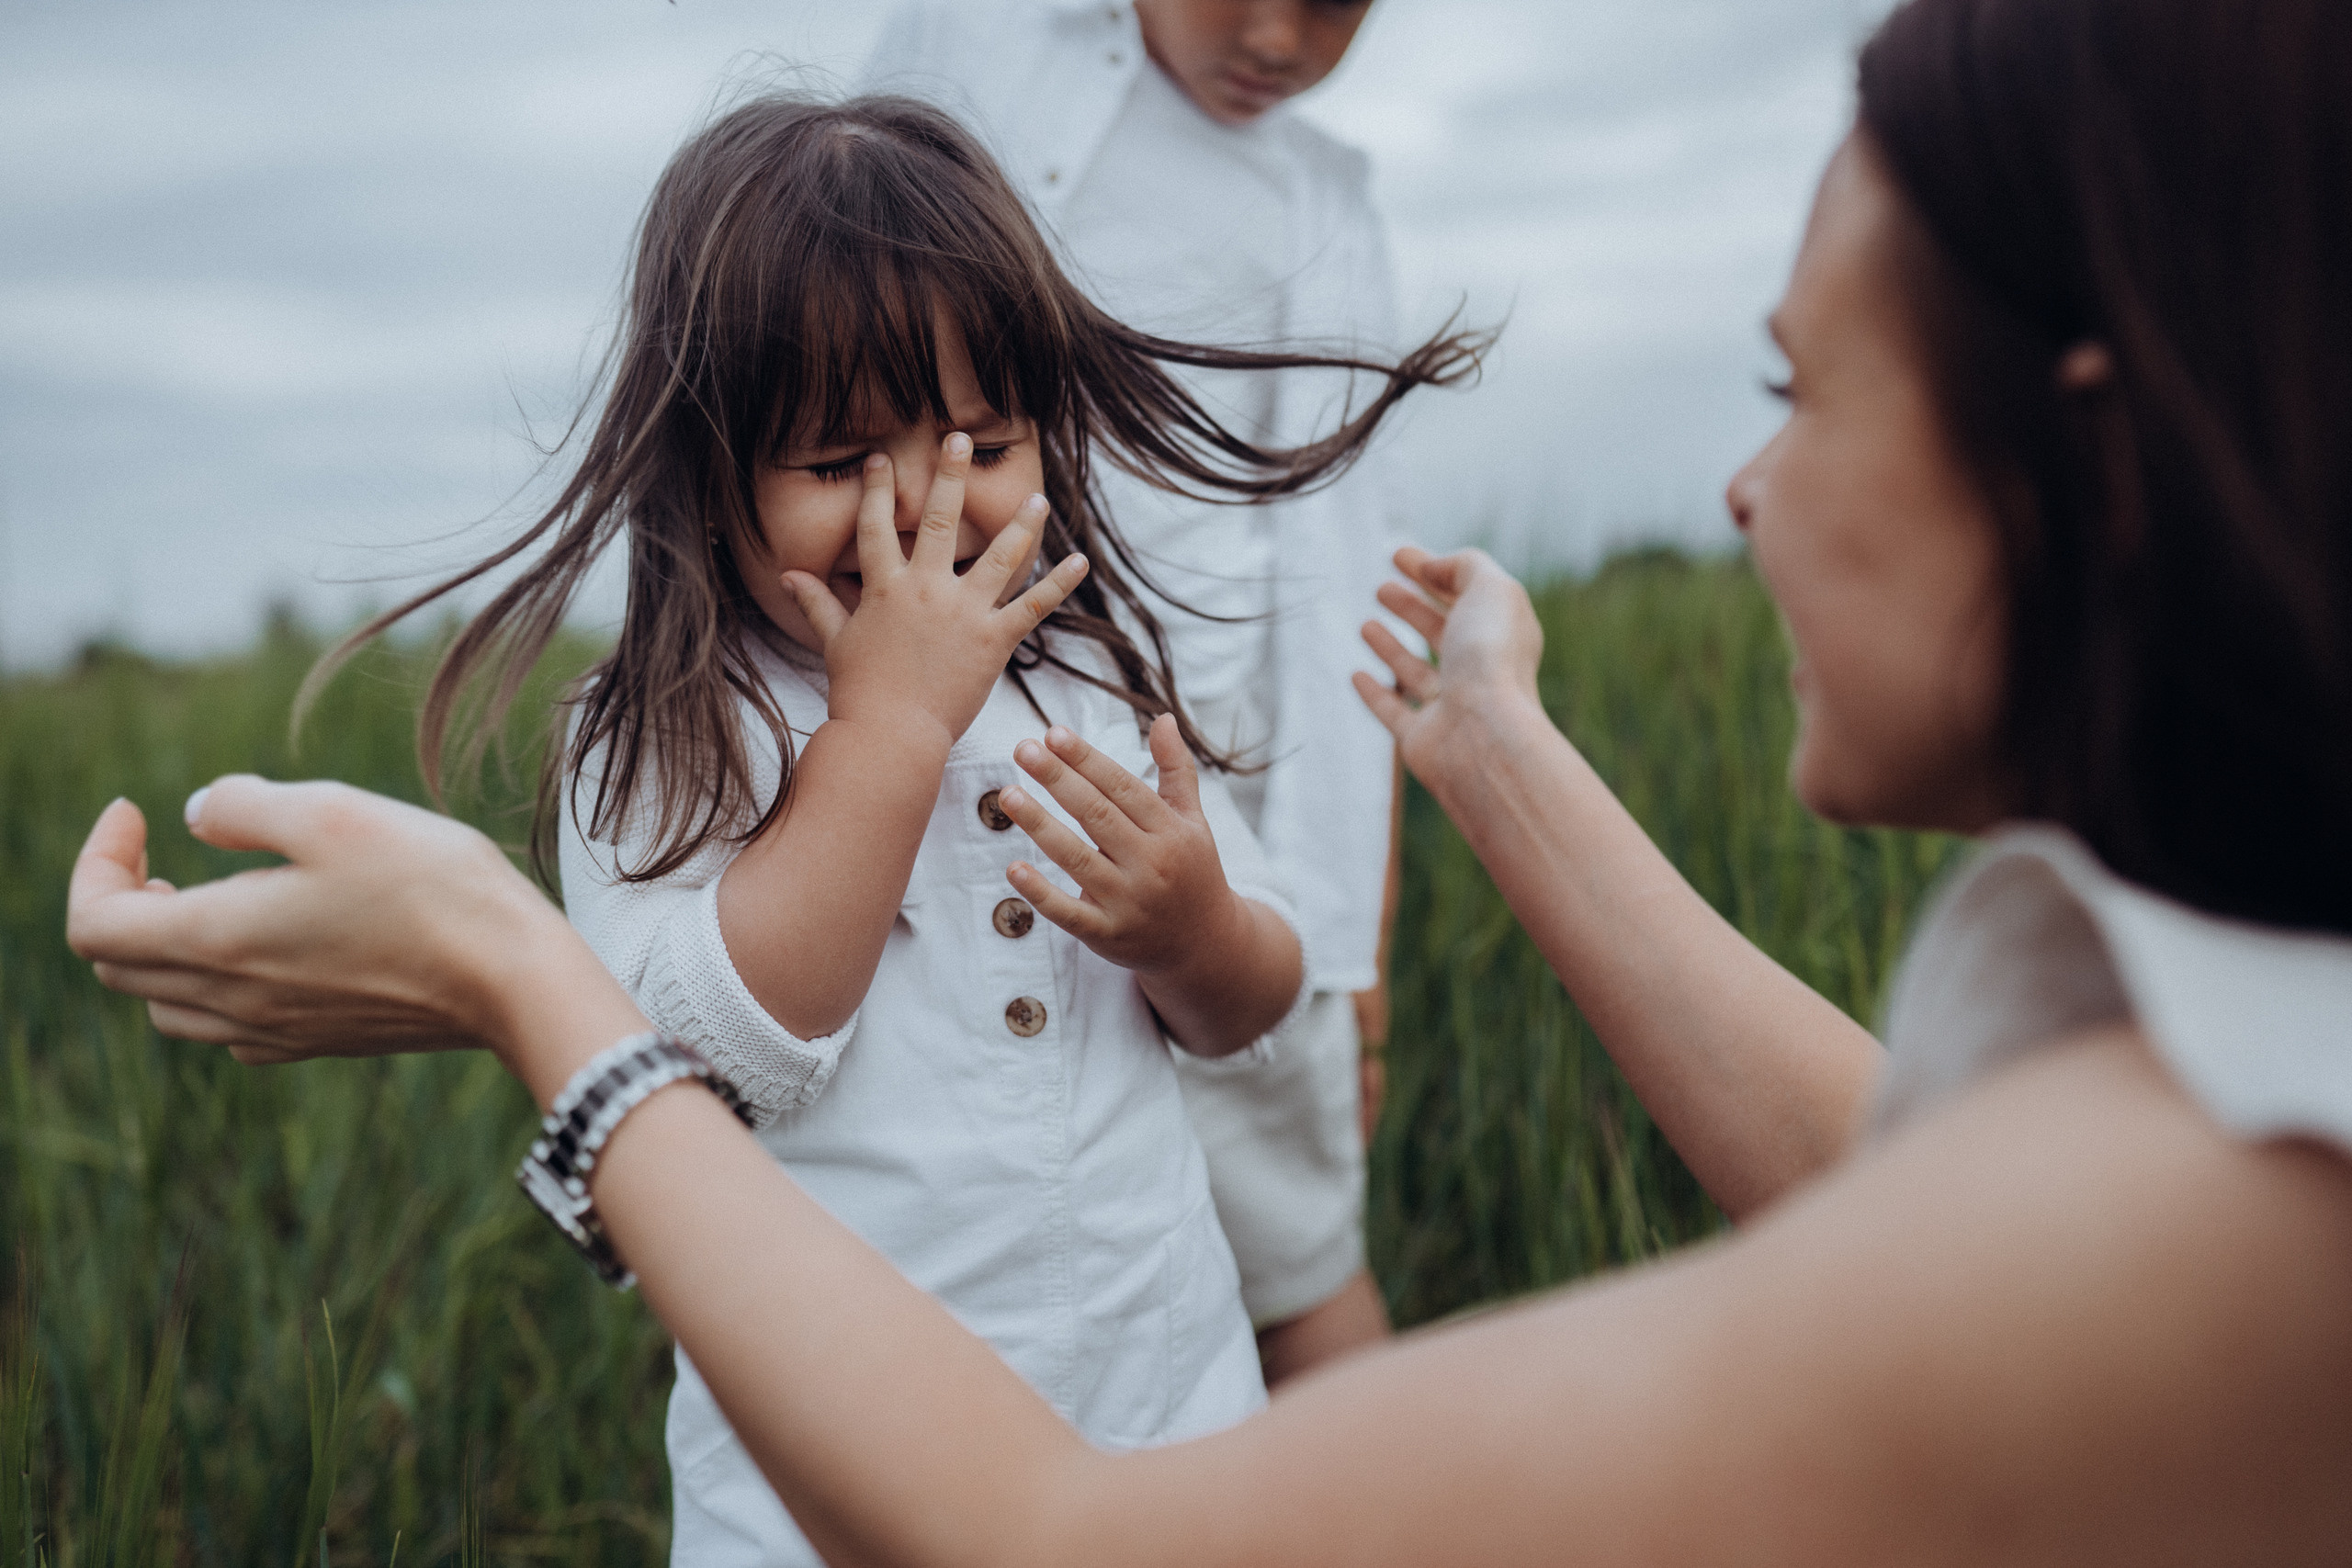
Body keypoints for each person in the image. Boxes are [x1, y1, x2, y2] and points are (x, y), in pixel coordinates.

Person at [65, 0, 2352, 1560]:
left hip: (1143, 1422)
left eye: (1801, 389)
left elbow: (1067, 1524)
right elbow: (1897, 1183)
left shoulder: (2201, 1229)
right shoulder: (2166, 1109)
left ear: (2091, 459)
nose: (1742, 484)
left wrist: (506, 966)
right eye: (840, 456)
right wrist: (1484, 745)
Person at [289, 94, 1475, 1564]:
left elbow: (1254, 1004)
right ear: (706, 474)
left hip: (1169, 1427)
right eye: (843, 465)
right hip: (822, 1497)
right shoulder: (667, 728)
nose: (923, 511)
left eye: (983, 440)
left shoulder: (1087, 674)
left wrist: (1198, 931)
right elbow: (711, 1066)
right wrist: (894, 733)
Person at [863, 0, 1404, 1382]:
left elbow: (1341, 586)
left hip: (1198, 815)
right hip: (917, 771)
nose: (1279, 39)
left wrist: (1345, 950)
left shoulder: (1318, 209)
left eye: (1340, 5)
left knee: (1295, 1265)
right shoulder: (964, 39)